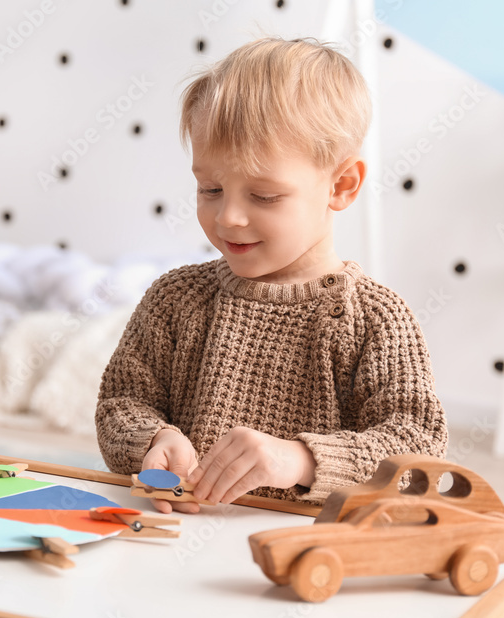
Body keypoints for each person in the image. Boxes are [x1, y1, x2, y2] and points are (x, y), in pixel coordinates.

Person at [95, 36, 447, 513]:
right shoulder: (176, 298)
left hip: (304, 552)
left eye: (263, 196)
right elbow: (121, 403)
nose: (228, 218)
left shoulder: (375, 318)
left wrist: (302, 460)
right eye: (211, 188)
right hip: (179, 543)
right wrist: (153, 440)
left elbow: (418, 452)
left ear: (341, 186)